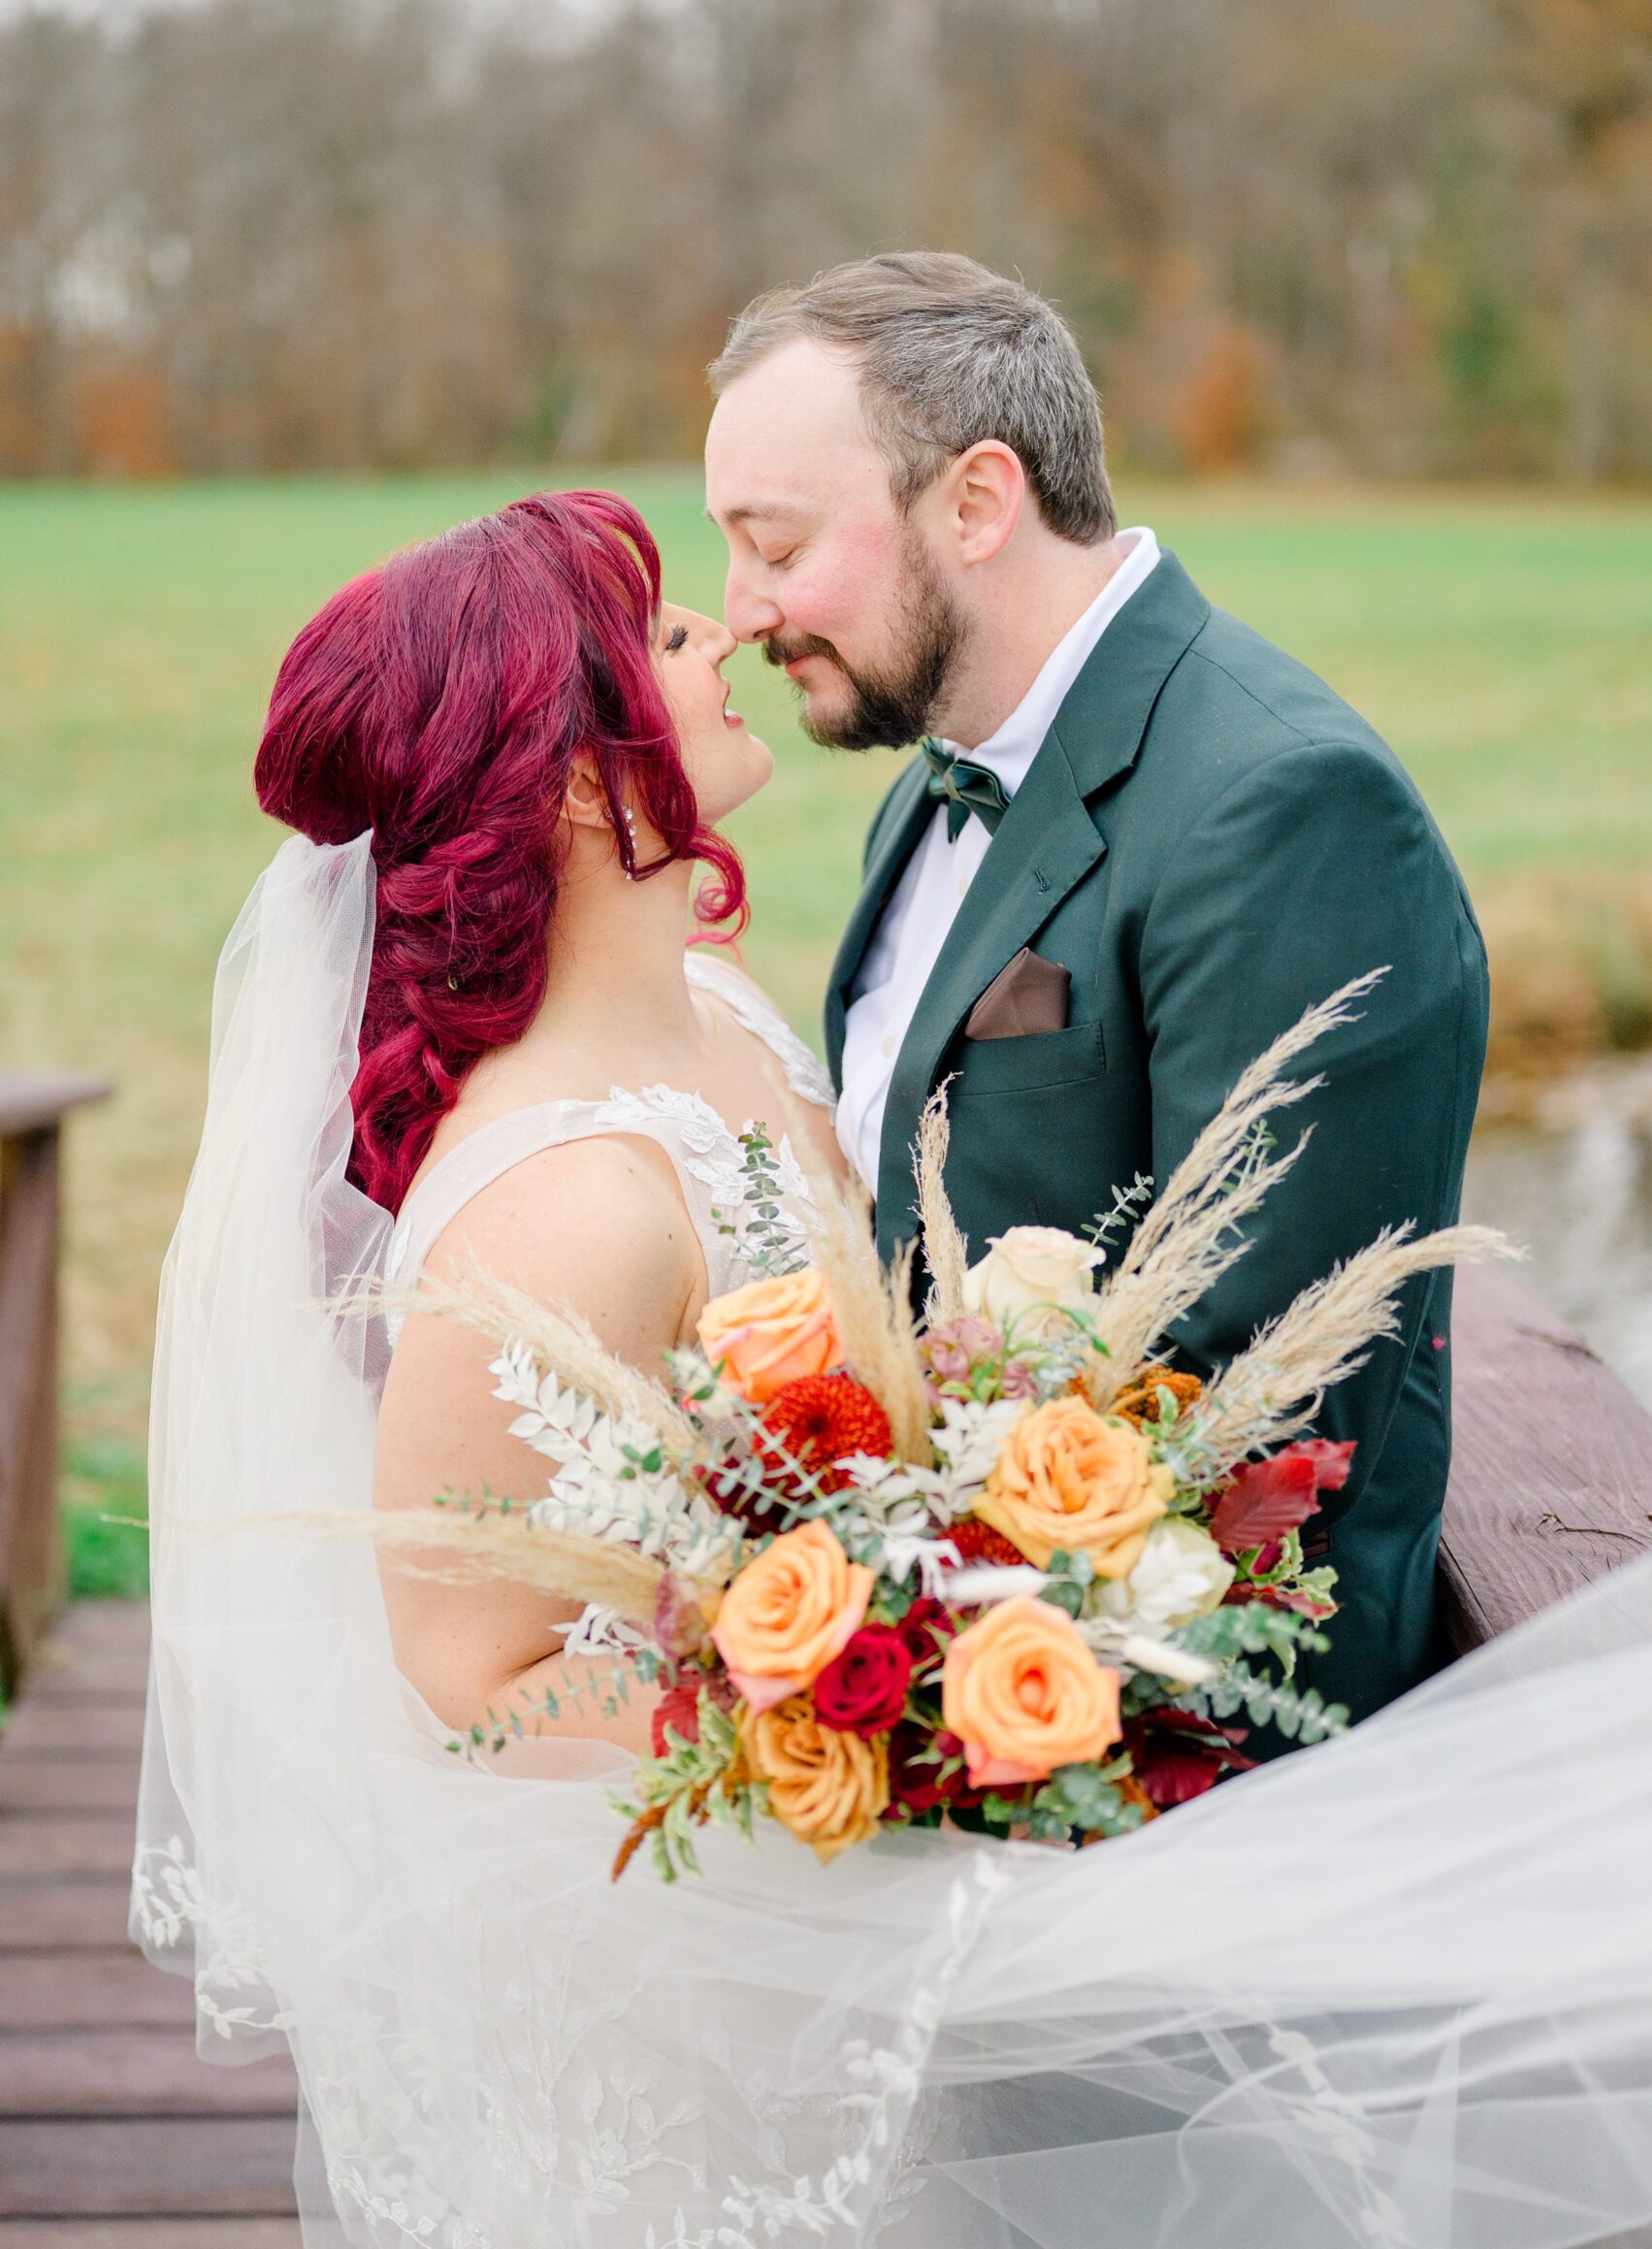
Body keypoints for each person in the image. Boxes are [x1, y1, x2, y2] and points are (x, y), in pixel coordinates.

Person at [134, 486, 1652, 2249]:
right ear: (564, 772)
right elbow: (473, 1674)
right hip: (708, 1960)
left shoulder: (716, 1014)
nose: (713, 630)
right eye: (657, 630)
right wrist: (876, 1730)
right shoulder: (561, 1204)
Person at [704, 251, 1489, 1727]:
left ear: (979, 504)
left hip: (1185, 1736)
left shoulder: (1288, 809)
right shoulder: (931, 783)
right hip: (952, 1679)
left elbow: (1265, 1402)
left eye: (778, 543)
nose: (741, 608)